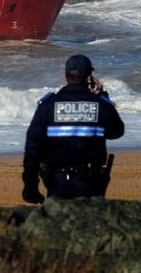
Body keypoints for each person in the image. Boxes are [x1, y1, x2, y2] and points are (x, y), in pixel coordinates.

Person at [22, 54, 124, 203]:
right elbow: (116, 132)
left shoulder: (48, 105)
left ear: (65, 76)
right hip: (90, 183)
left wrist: (30, 186)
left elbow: (32, 148)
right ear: (90, 78)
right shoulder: (101, 104)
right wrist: (102, 96)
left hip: (55, 183)